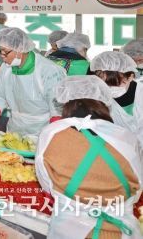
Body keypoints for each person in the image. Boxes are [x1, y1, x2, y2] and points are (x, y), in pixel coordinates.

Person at [35, 76, 142, 239]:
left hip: (68, 231)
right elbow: (137, 188)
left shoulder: (51, 135)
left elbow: (46, 184)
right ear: (104, 103)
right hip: (119, 232)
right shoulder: (127, 139)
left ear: (67, 103)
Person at [0, 27, 66, 137]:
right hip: (15, 129)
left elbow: (58, 110)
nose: (2, 57)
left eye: (5, 52)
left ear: (19, 50)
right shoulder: (6, 68)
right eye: (0, 51)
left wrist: (54, 135)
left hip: (42, 130)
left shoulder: (48, 71)